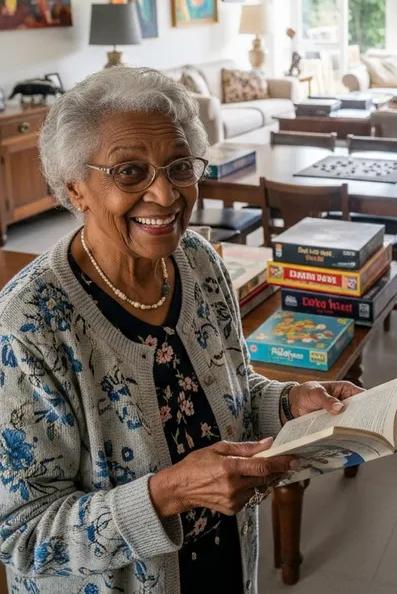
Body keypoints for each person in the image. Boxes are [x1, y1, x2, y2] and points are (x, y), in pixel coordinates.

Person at [0, 67, 360, 594]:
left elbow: (232, 393)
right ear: (76, 188)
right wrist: (168, 494)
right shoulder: (27, 326)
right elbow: (23, 535)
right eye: (129, 172)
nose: (166, 195)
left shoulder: (197, 262)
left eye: (179, 166)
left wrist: (290, 402)